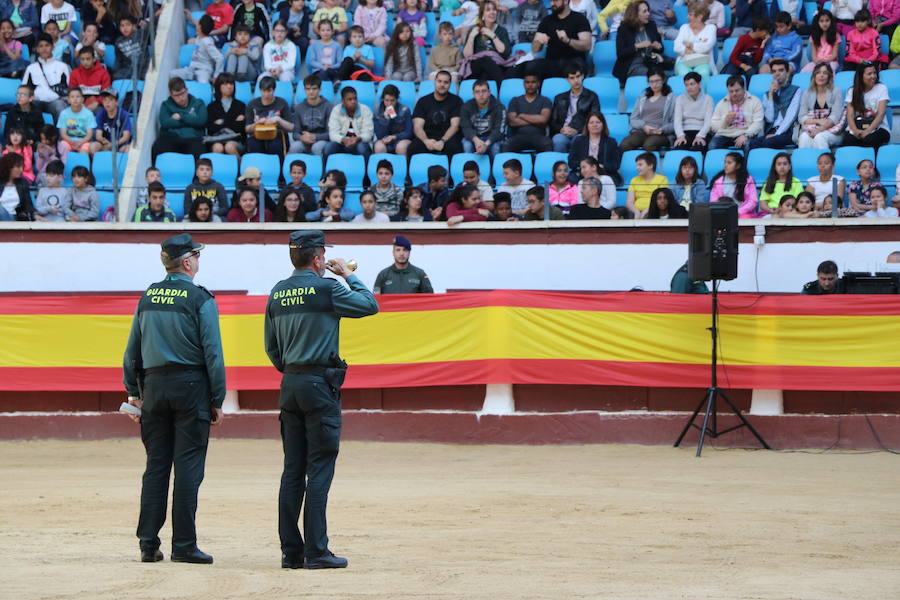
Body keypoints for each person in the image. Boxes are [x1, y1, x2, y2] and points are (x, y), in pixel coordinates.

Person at [264, 230, 378, 570]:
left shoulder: (277, 292)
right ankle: (316, 550)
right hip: (320, 384)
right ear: (318, 258)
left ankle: (291, 552)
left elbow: (272, 348)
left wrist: (294, 370)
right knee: (320, 469)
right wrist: (348, 275)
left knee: (292, 471)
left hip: (291, 383)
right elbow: (369, 305)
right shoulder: (328, 288)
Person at [122, 233, 226, 566]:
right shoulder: (200, 299)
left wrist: (135, 393)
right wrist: (217, 397)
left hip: (154, 389)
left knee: (156, 468)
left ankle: (148, 543)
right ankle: (184, 544)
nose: (198, 261)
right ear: (186, 262)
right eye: (196, 256)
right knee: (188, 470)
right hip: (190, 388)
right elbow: (213, 353)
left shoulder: (148, 297)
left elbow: (131, 352)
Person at [527, 0, 592, 80]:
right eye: (550, 1)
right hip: (552, 62)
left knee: (576, 67)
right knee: (531, 66)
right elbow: (535, 49)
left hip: (573, 61)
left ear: (565, 1)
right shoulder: (547, 20)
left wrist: (568, 40)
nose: (552, 4)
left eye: (555, 1)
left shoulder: (579, 19)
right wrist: (538, 42)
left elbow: (587, 45)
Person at [747, 59, 801, 150]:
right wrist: (771, 95)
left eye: (781, 70)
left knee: (769, 142)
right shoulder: (767, 94)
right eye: (774, 71)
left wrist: (777, 134)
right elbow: (769, 118)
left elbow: (791, 117)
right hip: (771, 130)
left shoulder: (796, 90)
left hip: (788, 131)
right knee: (752, 144)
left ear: (787, 72)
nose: (777, 73)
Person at [408, 70, 463, 157]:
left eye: (446, 82)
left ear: (450, 84)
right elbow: (418, 126)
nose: (442, 85)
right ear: (435, 82)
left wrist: (442, 141)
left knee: (455, 148)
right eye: (439, 81)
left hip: (448, 138)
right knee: (413, 148)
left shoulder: (456, 101)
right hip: (427, 136)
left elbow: (455, 126)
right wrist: (426, 141)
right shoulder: (423, 101)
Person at [152, 77, 208, 161]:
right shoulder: (166, 105)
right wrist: (191, 120)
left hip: (193, 138)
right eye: (177, 95)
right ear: (171, 94)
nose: (181, 98)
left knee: (199, 150)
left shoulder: (198, 103)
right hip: (171, 137)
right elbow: (165, 123)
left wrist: (181, 117)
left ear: (187, 90)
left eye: (182, 93)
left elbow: (201, 121)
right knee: (157, 147)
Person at [549, 63, 600, 153]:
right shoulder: (559, 98)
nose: (576, 80)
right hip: (563, 132)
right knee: (558, 140)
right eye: (572, 78)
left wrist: (577, 130)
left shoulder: (592, 96)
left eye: (578, 76)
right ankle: (561, 166)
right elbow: (553, 121)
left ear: (583, 76)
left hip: (581, 132)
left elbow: (595, 119)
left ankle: (576, 166)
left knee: (579, 140)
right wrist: (561, 129)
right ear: (567, 80)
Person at [620, 68, 674, 152]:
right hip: (642, 131)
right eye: (651, 82)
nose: (654, 84)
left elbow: (675, 122)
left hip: (660, 133)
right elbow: (633, 119)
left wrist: (662, 130)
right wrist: (643, 126)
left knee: (649, 145)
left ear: (663, 80)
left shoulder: (671, 98)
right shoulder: (643, 97)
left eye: (657, 81)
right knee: (625, 144)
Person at [795, 62, 845, 149]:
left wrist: (819, 130)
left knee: (819, 137)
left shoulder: (836, 91)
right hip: (811, 129)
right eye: (818, 72)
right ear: (814, 76)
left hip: (833, 132)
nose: (821, 75)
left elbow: (835, 117)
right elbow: (801, 117)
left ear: (829, 76)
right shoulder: (807, 93)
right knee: (803, 137)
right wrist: (818, 121)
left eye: (825, 73)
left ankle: (825, 162)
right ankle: (805, 162)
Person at [613, 1, 664, 84]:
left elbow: (661, 49)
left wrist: (658, 46)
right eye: (644, 11)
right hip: (632, 64)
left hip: (649, 61)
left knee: (662, 75)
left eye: (648, 10)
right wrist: (638, 45)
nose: (648, 14)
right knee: (655, 77)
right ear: (635, 14)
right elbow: (621, 53)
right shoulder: (623, 29)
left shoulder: (651, 25)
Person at [22, 33, 70, 121]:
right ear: (37, 49)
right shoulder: (31, 68)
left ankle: (60, 134)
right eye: (41, 46)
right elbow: (25, 89)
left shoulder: (63, 67)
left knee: (60, 106)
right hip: (37, 101)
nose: (44, 49)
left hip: (55, 101)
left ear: (52, 47)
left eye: (47, 45)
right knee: (27, 106)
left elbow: (68, 89)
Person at [460, 0, 511, 83]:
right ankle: (501, 86)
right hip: (476, 67)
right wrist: (471, 37)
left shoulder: (502, 31)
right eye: (488, 10)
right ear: (482, 15)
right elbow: (467, 55)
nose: (492, 12)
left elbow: (505, 53)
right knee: (486, 60)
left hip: (496, 66)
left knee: (486, 74)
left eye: (494, 10)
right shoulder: (474, 30)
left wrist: (492, 36)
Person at [842, 62, 891, 148]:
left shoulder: (881, 88)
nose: (873, 76)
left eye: (874, 73)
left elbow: (881, 114)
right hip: (857, 126)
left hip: (878, 127)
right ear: (861, 76)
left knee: (870, 139)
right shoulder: (852, 91)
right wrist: (855, 131)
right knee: (848, 140)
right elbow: (850, 115)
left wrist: (867, 131)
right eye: (869, 74)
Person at [709, 74, 764, 149]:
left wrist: (746, 135)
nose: (734, 94)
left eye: (737, 90)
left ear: (744, 89)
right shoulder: (722, 103)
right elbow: (713, 125)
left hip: (746, 132)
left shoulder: (755, 101)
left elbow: (758, 123)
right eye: (731, 91)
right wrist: (725, 121)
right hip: (726, 134)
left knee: (747, 145)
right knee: (713, 145)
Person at [246, 76, 294, 159]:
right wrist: (256, 124)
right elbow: (246, 129)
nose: (266, 94)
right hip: (257, 134)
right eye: (264, 91)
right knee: (254, 146)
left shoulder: (282, 103)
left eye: (269, 91)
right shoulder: (252, 104)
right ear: (260, 90)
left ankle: (279, 170)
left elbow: (291, 127)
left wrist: (279, 120)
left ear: (274, 90)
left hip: (277, 134)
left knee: (275, 146)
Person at [504, 73, 552, 153]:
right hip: (518, 136)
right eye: (527, 82)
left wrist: (522, 115)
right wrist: (535, 120)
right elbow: (512, 122)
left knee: (547, 144)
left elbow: (543, 120)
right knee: (506, 145)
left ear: (538, 83)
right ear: (524, 83)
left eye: (533, 82)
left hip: (539, 136)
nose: (530, 85)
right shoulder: (515, 100)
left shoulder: (545, 100)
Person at [459, 79, 506, 158]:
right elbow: (466, 128)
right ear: (473, 94)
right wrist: (476, 140)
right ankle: (470, 169)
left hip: (492, 138)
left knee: (495, 147)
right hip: (474, 138)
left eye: (484, 91)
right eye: (477, 92)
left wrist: (486, 144)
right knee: (466, 145)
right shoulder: (466, 107)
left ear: (489, 93)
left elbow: (499, 130)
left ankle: (494, 169)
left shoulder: (499, 107)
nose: (481, 94)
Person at [325, 86, 373, 158]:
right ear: (343, 101)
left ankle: (366, 169)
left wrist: (358, 139)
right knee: (329, 147)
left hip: (359, 142)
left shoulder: (365, 110)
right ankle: (325, 169)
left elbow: (368, 134)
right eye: (349, 99)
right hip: (342, 143)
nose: (353, 101)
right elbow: (333, 133)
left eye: (355, 98)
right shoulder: (336, 110)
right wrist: (343, 140)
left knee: (362, 148)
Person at [205, 72, 246, 156]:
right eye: (225, 83)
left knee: (229, 146)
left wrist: (222, 122)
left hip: (236, 140)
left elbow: (240, 128)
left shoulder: (241, 105)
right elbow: (211, 129)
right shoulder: (211, 107)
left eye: (231, 83)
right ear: (219, 86)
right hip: (216, 140)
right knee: (217, 147)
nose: (229, 86)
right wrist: (233, 121)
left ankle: (238, 168)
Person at [290, 75, 333, 155]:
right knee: (295, 147)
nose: (311, 92)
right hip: (304, 140)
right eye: (308, 89)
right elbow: (295, 134)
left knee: (316, 148)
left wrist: (315, 136)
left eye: (314, 88)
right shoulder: (299, 107)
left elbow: (330, 133)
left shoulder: (328, 107)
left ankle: (322, 167)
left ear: (319, 90)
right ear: (304, 90)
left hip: (321, 140)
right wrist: (301, 137)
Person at [174, 15, 223, 84]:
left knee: (203, 84)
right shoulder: (198, 38)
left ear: (199, 27)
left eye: (198, 23)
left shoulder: (207, 42)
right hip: (192, 69)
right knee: (172, 74)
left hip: (204, 70)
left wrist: (216, 76)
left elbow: (220, 58)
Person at [708, 151, 758, 217]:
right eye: (725, 162)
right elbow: (713, 200)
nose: (725, 165)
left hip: (743, 213)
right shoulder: (718, 181)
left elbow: (753, 201)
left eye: (729, 163)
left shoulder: (748, 180)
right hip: (723, 213)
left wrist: (737, 212)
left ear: (738, 166)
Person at [674, 3, 717, 78]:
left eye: (690, 15)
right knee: (683, 73)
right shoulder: (684, 27)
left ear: (700, 17)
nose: (687, 17)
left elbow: (706, 47)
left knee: (703, 73)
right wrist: (687, 50)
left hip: (703, 62)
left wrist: (690, 45)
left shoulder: (711, 28)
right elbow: (676, 47)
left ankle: (703, 90)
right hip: (684, 61)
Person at [673, 72, 713, 148]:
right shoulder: (680, 99)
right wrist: (680, 135)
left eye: (692, 84)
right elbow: (677, 120)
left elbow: (708, 122)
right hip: (685, 132)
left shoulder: (708, 99)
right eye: (686, 85)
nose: (689, 87)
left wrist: (700, 136)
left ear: (699, 84)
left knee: (699, 146)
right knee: (680, 146)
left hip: (701, 131)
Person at [90, 87, 132, 155]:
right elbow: (98, 135)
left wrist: (113, 144)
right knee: (93, 146)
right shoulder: (101, 113)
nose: (107, 103)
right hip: (105, 144)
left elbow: (126, 137)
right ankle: (96, 164)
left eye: (111, 100)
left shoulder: (123, 114)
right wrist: (103, 140)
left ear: (116, 101)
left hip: (120, 145)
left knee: (128, 149)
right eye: (105, 100)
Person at [373, 84, 413, 155]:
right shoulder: (377, 111)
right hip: (384, 140)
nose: (389, 104)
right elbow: (378, 135)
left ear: (397, 99)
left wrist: (394, 137)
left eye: (392, 100)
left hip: (400, 139)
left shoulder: (405, 110)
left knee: (401, 147)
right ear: (383, 99)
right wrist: (385, 119)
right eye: (386, 100)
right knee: (379, 147)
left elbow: (409, 132)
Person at [625, 151, 667, 218]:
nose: (637, 168)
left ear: (650, 166)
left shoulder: (662, 179)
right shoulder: (634, 180)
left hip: (653, 210)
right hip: (636, 211)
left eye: (640, 165)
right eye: (637, 165)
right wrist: (636, 212)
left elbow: (661, 200)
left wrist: (647, 210)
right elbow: (629, 202)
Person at [68, 45, 110, 111]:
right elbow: (72, 93)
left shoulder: (103, 73)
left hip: (98, 105)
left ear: (94, 59)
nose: (85, 62)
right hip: (79, 104)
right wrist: (80, 103)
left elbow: (106, 93)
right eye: (82, 59)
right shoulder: (75, 73)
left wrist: (97, 102)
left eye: (88, 59)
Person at [113, 16, 147, 80]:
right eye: (122, 26)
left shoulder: (140, 34)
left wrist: (155, 15)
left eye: (128, 25)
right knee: (116, 76)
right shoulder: (118, 41)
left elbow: (150, 27)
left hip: (142, 67)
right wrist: (116, 72)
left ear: (133, 26)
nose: (125, 28)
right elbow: (118, 60)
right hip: (128, 69)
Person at [0, 152, 32, 221]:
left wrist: (34, 215)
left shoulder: (23, 183)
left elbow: (27, 204)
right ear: (8, 167)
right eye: (18, 167)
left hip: (16, 217)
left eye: (22, 167)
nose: (21, 170)